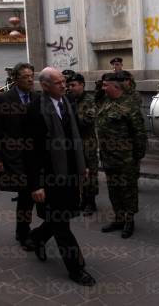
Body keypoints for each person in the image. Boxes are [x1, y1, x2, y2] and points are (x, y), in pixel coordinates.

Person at [24, 67, 96, 286]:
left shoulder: (67, 102)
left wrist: (81, 165)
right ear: (45, 86)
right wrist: (35, 185)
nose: (64, 85)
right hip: (49, 178)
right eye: (58, 83)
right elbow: (31, 151)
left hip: (69, 174)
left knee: (60, 217)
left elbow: (75, 137)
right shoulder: (35, 109)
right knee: (62, 224)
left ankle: (36, 238)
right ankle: (76, 268)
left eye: (64, 81)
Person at [0, 63, 38, 251]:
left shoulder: (36, 97)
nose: (30, 79)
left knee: (31, 195)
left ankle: (25, 230)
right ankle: (23, 233)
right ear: (16, 79)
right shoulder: (2, 99)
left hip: (34, 156)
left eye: (32, 76)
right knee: (25, 195)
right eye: (26, 77)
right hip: (14, 156)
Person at [97, 72, 147, 239]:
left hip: (125, 159)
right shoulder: (105, 103)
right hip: (108, 157)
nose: (103, 88)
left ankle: (129, 220)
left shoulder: (129, 106)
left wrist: (136, 157)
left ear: (115, 87)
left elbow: (139, 134)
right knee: (113, 189)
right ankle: (118, 218)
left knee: (128, 190)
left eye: (105, 85)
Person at [67, 73, 99, 216]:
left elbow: (87, 121)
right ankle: (82, 199)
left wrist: (73, 113)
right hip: (73, 143)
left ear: (82, 85)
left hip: (87, 144)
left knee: (90, 173)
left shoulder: (90, 100)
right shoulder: (69, 100)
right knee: (78, 173)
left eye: (73, 85)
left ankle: (90, 202)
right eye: (69, 85)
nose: (70, 88)